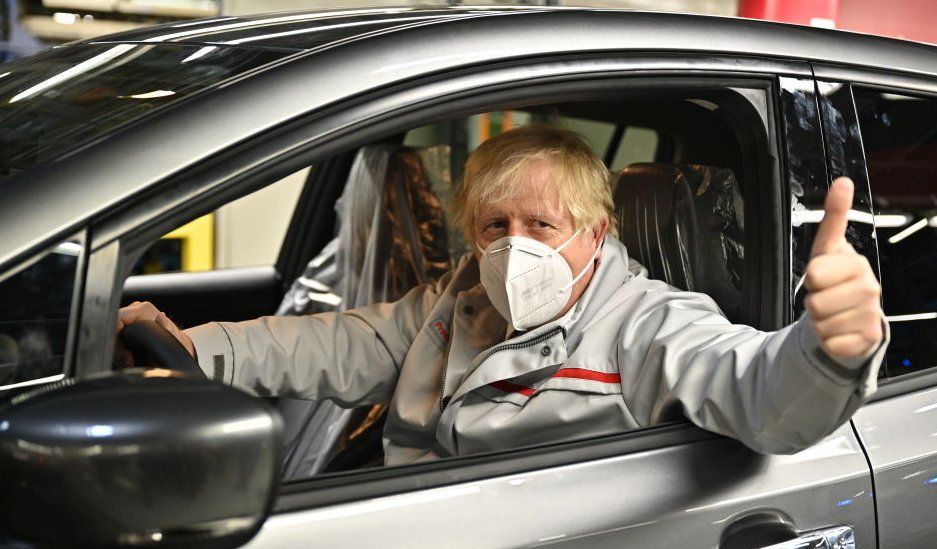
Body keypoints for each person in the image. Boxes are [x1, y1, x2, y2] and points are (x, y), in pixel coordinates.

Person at [118, 125, 887, 465]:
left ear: (596, 230)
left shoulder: (648, 324)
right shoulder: (456, 301)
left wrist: (828, 348)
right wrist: (198, 347)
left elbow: (758, 388)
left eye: (542, 224)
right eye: (496, 224)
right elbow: (336, 342)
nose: (514, 246)